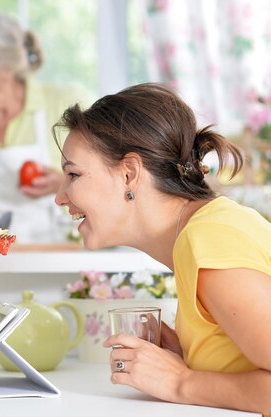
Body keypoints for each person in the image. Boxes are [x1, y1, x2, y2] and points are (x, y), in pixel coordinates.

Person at [53, 83, 271, 415]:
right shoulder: (198, 236)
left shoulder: (210, 239)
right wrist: (191, 355)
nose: (60, 196)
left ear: (129, 174)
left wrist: (180, 382)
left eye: (73, 174)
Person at [0, 12, 93, 242]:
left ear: (6, 67)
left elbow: (113, 189)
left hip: (66, 263)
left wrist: (66, 184)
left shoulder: (67, 105)